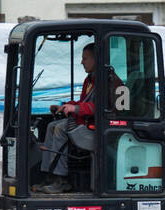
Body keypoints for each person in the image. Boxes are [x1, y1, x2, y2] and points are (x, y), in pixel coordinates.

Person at [36, 43, 121, 194]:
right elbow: (85, 103)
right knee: (51, 126)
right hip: (86, 122)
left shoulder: (108, 81)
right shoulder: (90, 80)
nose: (82, 62)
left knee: (60, 129)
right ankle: (50, 175)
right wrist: (66, 105)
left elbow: (103, 108)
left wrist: (75, 109)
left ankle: (61, 179)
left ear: (96, 59)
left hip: (99, 129)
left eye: (85, 58)